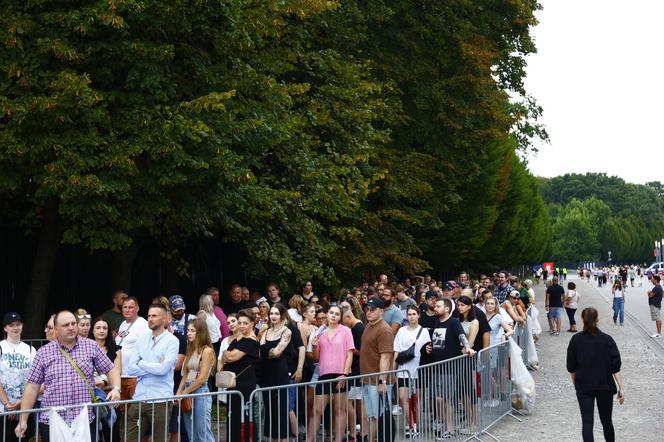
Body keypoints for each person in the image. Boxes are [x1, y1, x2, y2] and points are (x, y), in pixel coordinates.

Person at [15, 310, 120, 441]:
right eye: (66, 325)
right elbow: (32, 387)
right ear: (56, 329)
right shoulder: (43, 353)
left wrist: (116, 388)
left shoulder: (90, 346)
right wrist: (23, 419)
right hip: (52, 420)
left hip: (85, 418)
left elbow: (110, 368)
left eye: (73, 323)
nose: (71, 327)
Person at [566, 307, 625, 442]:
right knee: (607, 421)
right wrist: (621, 387)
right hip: (605, 385)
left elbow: (571, 367)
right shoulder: (607, 340)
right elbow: (616, 367)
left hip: (584, 385)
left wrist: (577, 384)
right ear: (597, 319)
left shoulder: (575, 340)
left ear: (582, 320)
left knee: (587, 422)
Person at [123, 304, 179, 441]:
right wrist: (154, 366)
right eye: (148, 316)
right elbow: (131, 368)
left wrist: (141, 363)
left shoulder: (172, 341)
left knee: (159, 438)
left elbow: (163, 369)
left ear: (165, 319)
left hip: (160, 397)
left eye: (154, 316)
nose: (150, 319)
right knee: (130, 438)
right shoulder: (142, 338)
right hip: (140, 396)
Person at [423, 298, 475, 438]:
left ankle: (450, 428)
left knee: (444, 399)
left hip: (449, 366)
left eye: (438, 306)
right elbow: (436, 341)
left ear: (446, 309)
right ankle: (444, 425)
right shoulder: (436, 322)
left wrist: (467, 347)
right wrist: (429, 347)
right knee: (438, 398)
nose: (435, 308)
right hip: (436, 365)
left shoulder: (453, 322)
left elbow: (461, 336)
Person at [307, 305, 354, 442]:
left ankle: (338, 439)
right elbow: (316, 358)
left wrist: (345, 374)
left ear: (340, 317)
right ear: (327, 314)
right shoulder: (320, 333)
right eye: (331, 313)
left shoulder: (345, 331)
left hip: (340, 373)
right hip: (324, 373)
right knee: (316, 410)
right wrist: (315, 346)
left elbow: (349, 354)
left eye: (337, 314)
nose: (333, 315)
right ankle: (309, 440)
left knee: (339, 409)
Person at [221, 309, 260, 442]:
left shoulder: (251, 342)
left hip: (244, 383)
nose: (242, 326)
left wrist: (227, 354)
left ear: (252, 324)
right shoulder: (237, 340)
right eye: (240, 323)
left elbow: (230, 356)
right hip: (233, 383)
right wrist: (227, 355)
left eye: (245, 323)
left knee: (244, 415)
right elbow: (225, 356)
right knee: (232, 415)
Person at [359, 297, 394, 441]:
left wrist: (382, 381)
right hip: (368, 379)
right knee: (371, 415)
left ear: (381, 311)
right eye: (367, 309)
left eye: (373, 309)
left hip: (377, 381)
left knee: (376, 416)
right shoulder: (369, 325)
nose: (369, 312)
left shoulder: (384, 329)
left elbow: (385, 357)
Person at [176, 318, 216, 442]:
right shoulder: (191, 349)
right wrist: (178, 393)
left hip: (200, 392)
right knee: (191, 432)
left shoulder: (207, 351)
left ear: (200, 332)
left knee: (203, 431)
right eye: (188, 330)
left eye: (192, 330)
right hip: (188, 391)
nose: (188, 333)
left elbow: (202, 378)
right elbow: (185, 374)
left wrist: (184, 392)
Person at [394, 306, 430, 438]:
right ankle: (411, 423)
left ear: (419, 315)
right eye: (409, 314)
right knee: (403, 397)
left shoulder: (424, 331)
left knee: (417, 399)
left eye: (414, 314)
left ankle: (416, 425)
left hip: (418, 369)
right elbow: (396, 351)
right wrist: (393, 369)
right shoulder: (401, 331)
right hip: (403, 369)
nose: (411, 316)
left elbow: (428, 350)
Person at [0, 313, 37, 442]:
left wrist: (21, 403)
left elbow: (35, 380)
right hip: (2, 408)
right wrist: (8, 405)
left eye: (18, 324)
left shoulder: (31, 350)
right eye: (11, 325)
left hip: (24, 407)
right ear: (5, 328)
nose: (15, 328)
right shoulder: (0, 347)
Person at [259, 304, 292, 442]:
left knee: (281, 409)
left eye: (276, 313)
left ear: (282, 315)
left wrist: (267, 351)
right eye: (271, 313)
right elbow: (260, 353)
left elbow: (277, 352)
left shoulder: (286, 331)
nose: (273, 316)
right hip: (267, 374)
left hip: (280, 373)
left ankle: (284, 439)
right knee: (270, 408)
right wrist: (268, 351)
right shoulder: (265, 331)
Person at [89, 317, 122, 442]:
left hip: (110, 395)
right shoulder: (86, 348)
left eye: (105, 328)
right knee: (94, 433)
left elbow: (117, 371)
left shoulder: (116, 349)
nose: (101, 331)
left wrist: (105, 382)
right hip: (92, 395)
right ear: (92, 330)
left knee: (112, 433)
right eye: (98, 328)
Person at [115, 296, 150, 404]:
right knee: (123, 411)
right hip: (121, 375)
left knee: (134, 412)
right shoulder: (123, 324)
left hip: (134, 377)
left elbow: (147, 350)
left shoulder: (143, 325)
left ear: (137, 308)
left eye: (130, 307)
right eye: (125, 307)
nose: (127, 310)